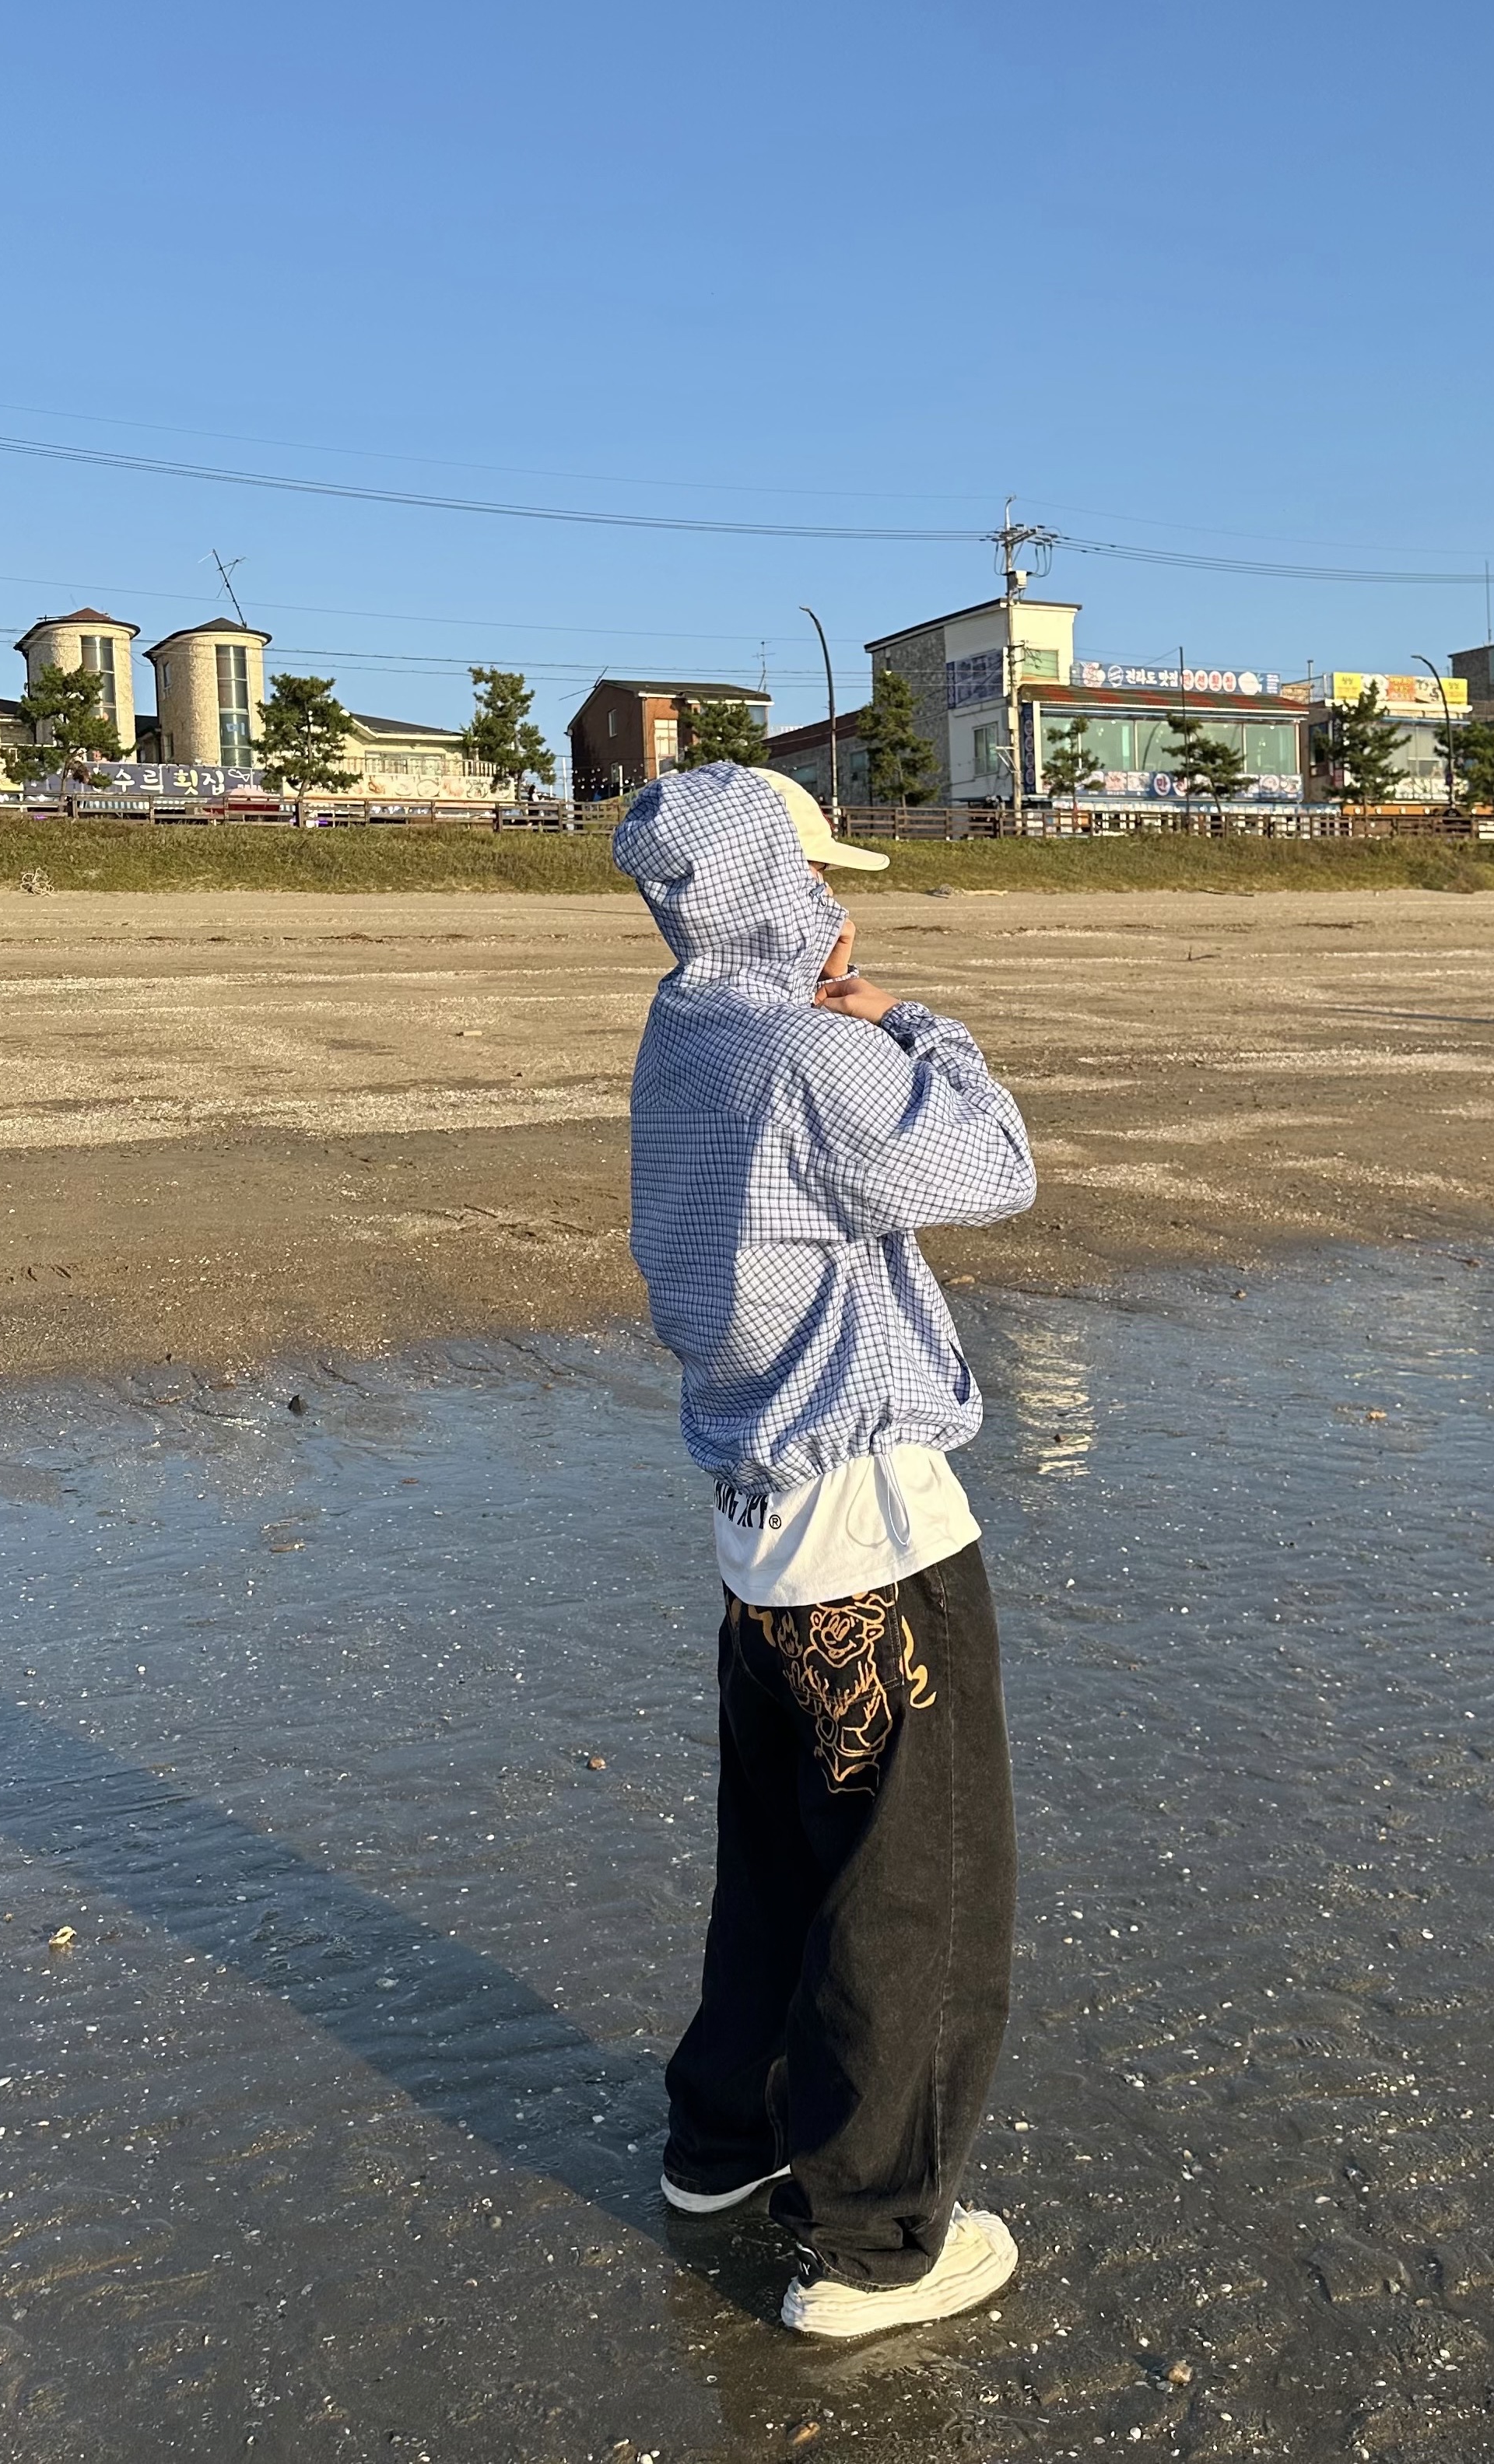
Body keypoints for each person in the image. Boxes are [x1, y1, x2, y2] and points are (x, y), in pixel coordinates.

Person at [612, 760, 1036, 2338]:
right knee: (916, 1883)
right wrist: (915, 1024)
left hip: (757, 1514)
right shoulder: (806, 1050)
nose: (837, 900)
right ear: (778, 891)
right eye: (818, 876)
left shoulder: (686, 1028)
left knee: (783, 1858)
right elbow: (995, 1165)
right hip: (868, 1514)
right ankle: (872, 2241)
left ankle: (723, 2136)